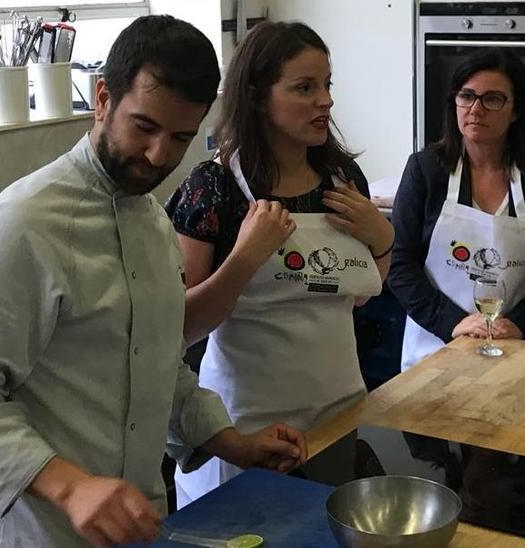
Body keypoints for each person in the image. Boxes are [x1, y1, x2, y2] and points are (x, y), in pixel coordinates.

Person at [0, 16, 308, 548]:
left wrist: (230, 442)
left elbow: (157, 365)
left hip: (137, 528)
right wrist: (70, 487)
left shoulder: (152, 225)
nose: (159, 157)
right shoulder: (21, 228)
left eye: (180, 138)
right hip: (39, 534)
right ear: (102, 97)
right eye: (144, 127)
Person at [164, 21, 391, 507]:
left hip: (339, 414)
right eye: (305, 88)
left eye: (327, 85)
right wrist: (246, 257)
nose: (325, 101)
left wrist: (383, 240)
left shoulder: (341, 179)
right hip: (246, 428)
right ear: (258, 96)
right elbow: (179, 324)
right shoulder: (215, 189)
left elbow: (356, 295)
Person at [390, 48, 525, 371]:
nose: (476, 109)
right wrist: (454, 323)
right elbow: (399, 264)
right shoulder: (426, 169)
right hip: (435, 352)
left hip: (516, 352)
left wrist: (519, 325)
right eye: (467, 96)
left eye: (493, 99)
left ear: (516, 111)